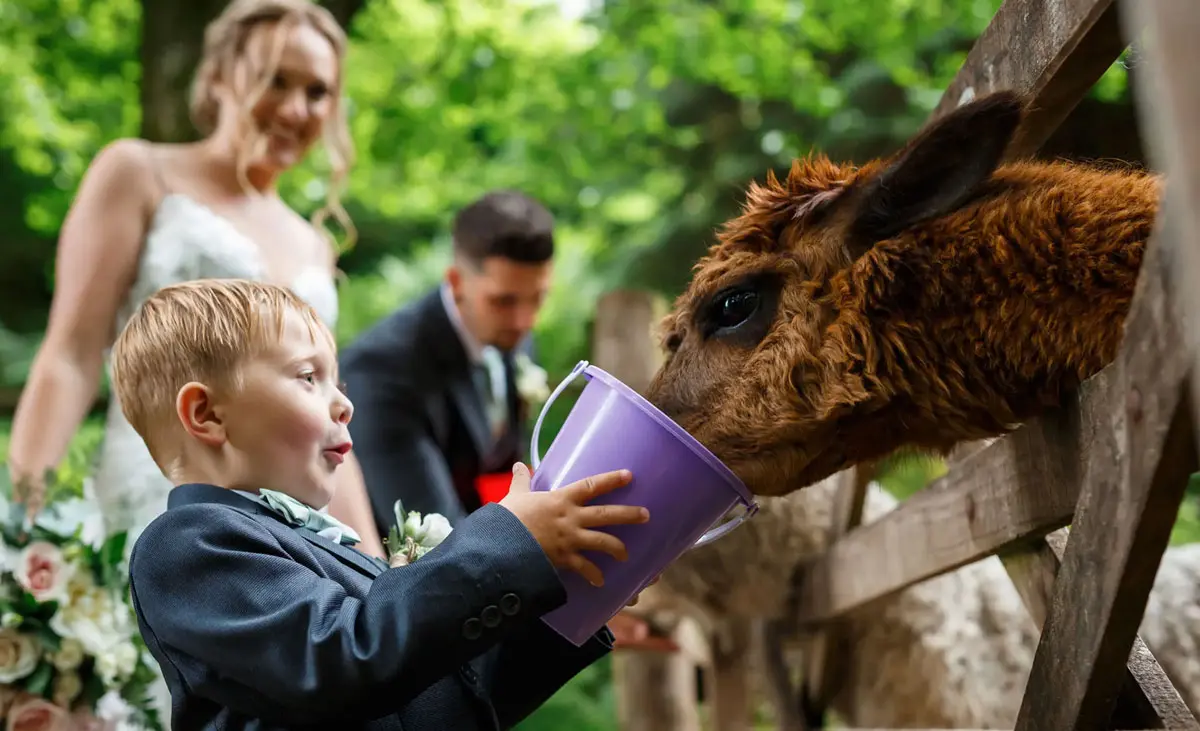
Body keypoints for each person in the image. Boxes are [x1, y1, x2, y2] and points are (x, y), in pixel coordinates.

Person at [117, 278, 652, 730]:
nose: (345, 403)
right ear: (207, 415)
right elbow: (341, 661)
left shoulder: (328, 547)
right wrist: (507, 540)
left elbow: (457, 696)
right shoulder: (188, 545)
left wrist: (565, 592)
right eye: (309, 377)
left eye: (338, 381)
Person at [5, 0, 384, 559]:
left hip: (288, 540)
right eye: (275, 80)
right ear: (220, 75)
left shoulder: (314, 244)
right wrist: (23, 519)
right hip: (152, 497)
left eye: (317, 91)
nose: (295, 108)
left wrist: (379, 568)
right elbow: (71, 355)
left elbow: (326, 416)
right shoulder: (138, 173)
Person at [337, 190, 557, 544]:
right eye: (503, 301)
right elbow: (431, 536)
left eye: (538, 298)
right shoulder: (382, 370)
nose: (525, 321)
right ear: (456, 283)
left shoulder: (510, 334)